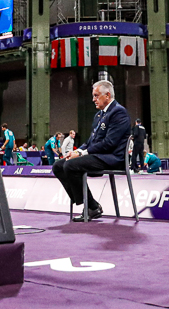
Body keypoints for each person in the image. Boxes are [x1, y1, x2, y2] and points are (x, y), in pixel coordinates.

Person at [52, 80, 130, 221]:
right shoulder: (99, 115)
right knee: (58, 166)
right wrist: (76, 151)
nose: (93, 99)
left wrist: (81, 153)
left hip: (113, 158)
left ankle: (91, 207)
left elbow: (109, 143)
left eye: (96, 95)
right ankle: (92, 205)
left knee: (70, 165)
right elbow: (90, 142)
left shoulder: (119, 112)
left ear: (107, 95)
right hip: (99, 156)